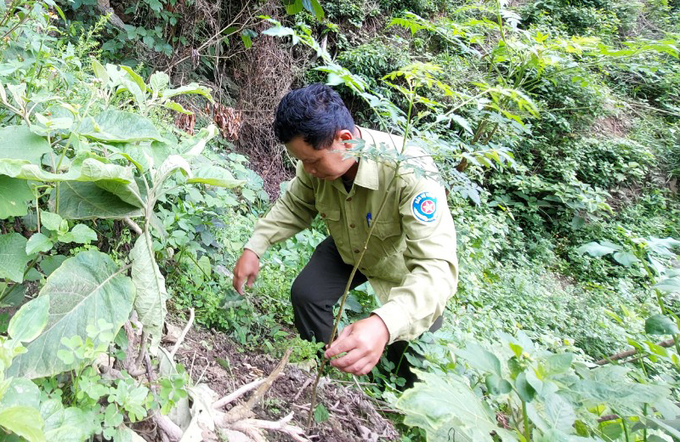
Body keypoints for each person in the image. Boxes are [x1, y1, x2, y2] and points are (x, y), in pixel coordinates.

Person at [232, 84, 458, 380]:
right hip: (348, 244)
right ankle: (328, 367)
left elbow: (436, 270)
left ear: (346, 140)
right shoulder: (317, 165)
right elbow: (295, 205)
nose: (308, 170)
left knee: (408, 355)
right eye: (301, 161)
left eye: (312, 161)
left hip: (398, 260)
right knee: (307, 294)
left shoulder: (410, 172)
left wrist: (383, 325)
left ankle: (393, 395)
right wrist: (254, 247)